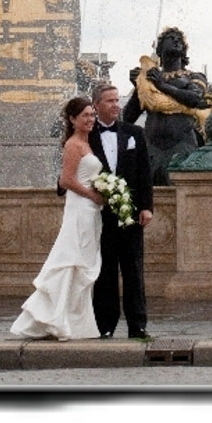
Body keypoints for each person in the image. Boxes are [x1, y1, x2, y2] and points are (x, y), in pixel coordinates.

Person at [10, 96, 104, 340]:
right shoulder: (73, 145)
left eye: (92, 115)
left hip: (90, 209)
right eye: (85, 115)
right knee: (71, 260)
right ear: (72, 119)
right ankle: (55, 318)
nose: (90, 119)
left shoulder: (88, 143)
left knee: (81, 263)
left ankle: (75, 321)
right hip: (80, 207)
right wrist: (93, 195)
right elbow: (66, 180)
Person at [88, 82, 153, 339]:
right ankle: (104, 324)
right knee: (104, 272)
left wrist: (147, 207)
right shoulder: (86, 135)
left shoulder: (134, 133)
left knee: (134, 270)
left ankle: (138, 325)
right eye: (110, 101)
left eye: (117, 100)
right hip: (99, 215)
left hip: (131, 214)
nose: (117, 105)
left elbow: (144, 173)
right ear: (96, 105)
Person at [123, 26, 211, 183]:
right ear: (160, 48)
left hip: (182, 144)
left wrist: (162, 85)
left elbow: (194, 99)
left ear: (184, 50)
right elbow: (128, 117)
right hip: (152, 146)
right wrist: (139, 87)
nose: (176, 40)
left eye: (179, 40)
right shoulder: (148, 80)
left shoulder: (194, 76)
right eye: (171, 38)